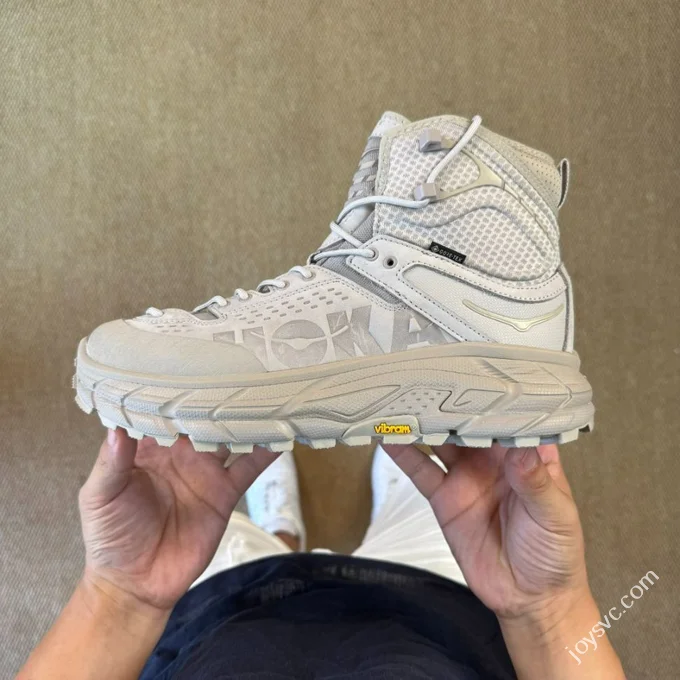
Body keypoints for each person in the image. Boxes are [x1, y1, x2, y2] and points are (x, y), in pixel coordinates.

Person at [19, 429, 625, 679]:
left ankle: (282, 531)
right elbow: (545, 609)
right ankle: (392, 444)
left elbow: (124, 594)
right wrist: (547, 609)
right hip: (446, 592)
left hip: (217, 600)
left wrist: (119, 596)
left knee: (203, 507)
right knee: (437, 464)